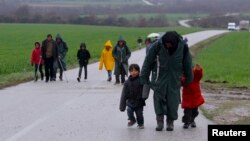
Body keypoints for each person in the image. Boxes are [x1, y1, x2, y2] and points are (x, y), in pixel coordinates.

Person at [140, 31, 193, 131]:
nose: (168, 46)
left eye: (170, 44)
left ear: (174, 43)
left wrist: (188, 79)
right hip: (159, 79)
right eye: (166, 44)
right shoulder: (157, 46)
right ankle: (159, 122)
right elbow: (148, 62)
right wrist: (144, 77)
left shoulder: (183, 48)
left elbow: (188, 65)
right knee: (158, 101)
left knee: (173, 103)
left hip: (174, 81)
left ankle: (170, 122)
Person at [119, 64, 146, 129]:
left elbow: (145, 89)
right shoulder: (127, 82)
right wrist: (122, 106)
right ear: (129, 72)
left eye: (135, 71)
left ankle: (140, 124)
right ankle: (132, 120)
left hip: (139, 102)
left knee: (139, 114)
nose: (133, 72)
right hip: (130, 101)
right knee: (129, 111)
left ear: (139, 71)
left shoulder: (141, 80)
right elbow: (123, 94)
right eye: (132, 71)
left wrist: (143, 97)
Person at [181, 64, 205, 129]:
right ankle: (186, 122)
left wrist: (198, 70)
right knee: (187, 112)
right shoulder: (184, 75)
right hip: (187, 97)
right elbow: (182, 82)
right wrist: (183, 79)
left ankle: (192, 120)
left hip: (195, 97)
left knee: (195, 112)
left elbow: (199, 75)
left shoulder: (195, 76)